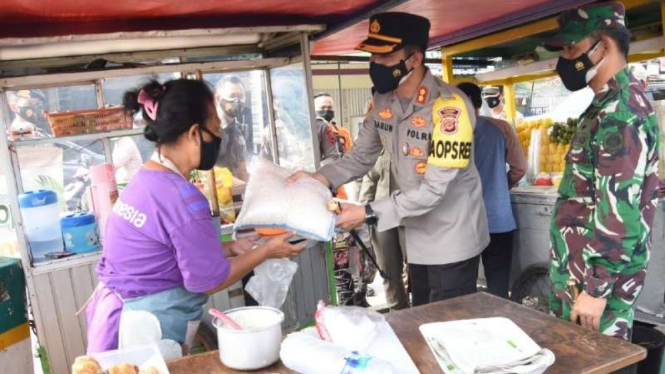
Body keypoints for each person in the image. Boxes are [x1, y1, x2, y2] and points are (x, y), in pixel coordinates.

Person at [85, 79, 306, 353]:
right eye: (215, 129)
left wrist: (229, 248)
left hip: (119, 313)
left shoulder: (145, 179)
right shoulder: (184, 198)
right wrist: (268, 251)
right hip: (147, 328)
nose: (220, 136)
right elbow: (209, 280)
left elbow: (164, 251)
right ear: (193, 133)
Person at [288, 12, 489, 306]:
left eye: (385, 56)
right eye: (372, 56)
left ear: (415, 59)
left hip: (452, 237)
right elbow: (360, 157)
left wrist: (365, 211)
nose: (375, 65)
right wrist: (318, 178)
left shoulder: (450, 108)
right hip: (417, 234)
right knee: (421, 317)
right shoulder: (384, 102)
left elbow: (434, 190)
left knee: (449, 325)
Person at [544, 1, 659, 340]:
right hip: (579, 280)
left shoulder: (620, 114)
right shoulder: (605, 105)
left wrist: (596, 288)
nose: (563, 61)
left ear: (604, 46)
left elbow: (619, 211)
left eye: (571, 48)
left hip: (594, 293)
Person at [457, 82, 527, 299]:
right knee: (498, 287)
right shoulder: (501, 128)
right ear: (480, 101)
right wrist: (500, 187)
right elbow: (520, 167)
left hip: (463, 221)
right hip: (498, 219)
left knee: (464, 287)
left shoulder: (448, 133)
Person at [358, 149, 409, 310]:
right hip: (381, 216)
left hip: (410, 213)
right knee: (388, 270)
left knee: (417, 269)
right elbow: (369, 177)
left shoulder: (413, 133)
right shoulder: (378, 141)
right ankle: (398, 312)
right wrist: (363, 209)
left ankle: (420, 310)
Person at [215, 75, 250, 181]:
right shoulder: (207, 131)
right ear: (218, 99)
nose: (237, 101)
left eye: (240, 96)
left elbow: (242, 171)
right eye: (232, 95)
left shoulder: (238, 129)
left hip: (235, 194)